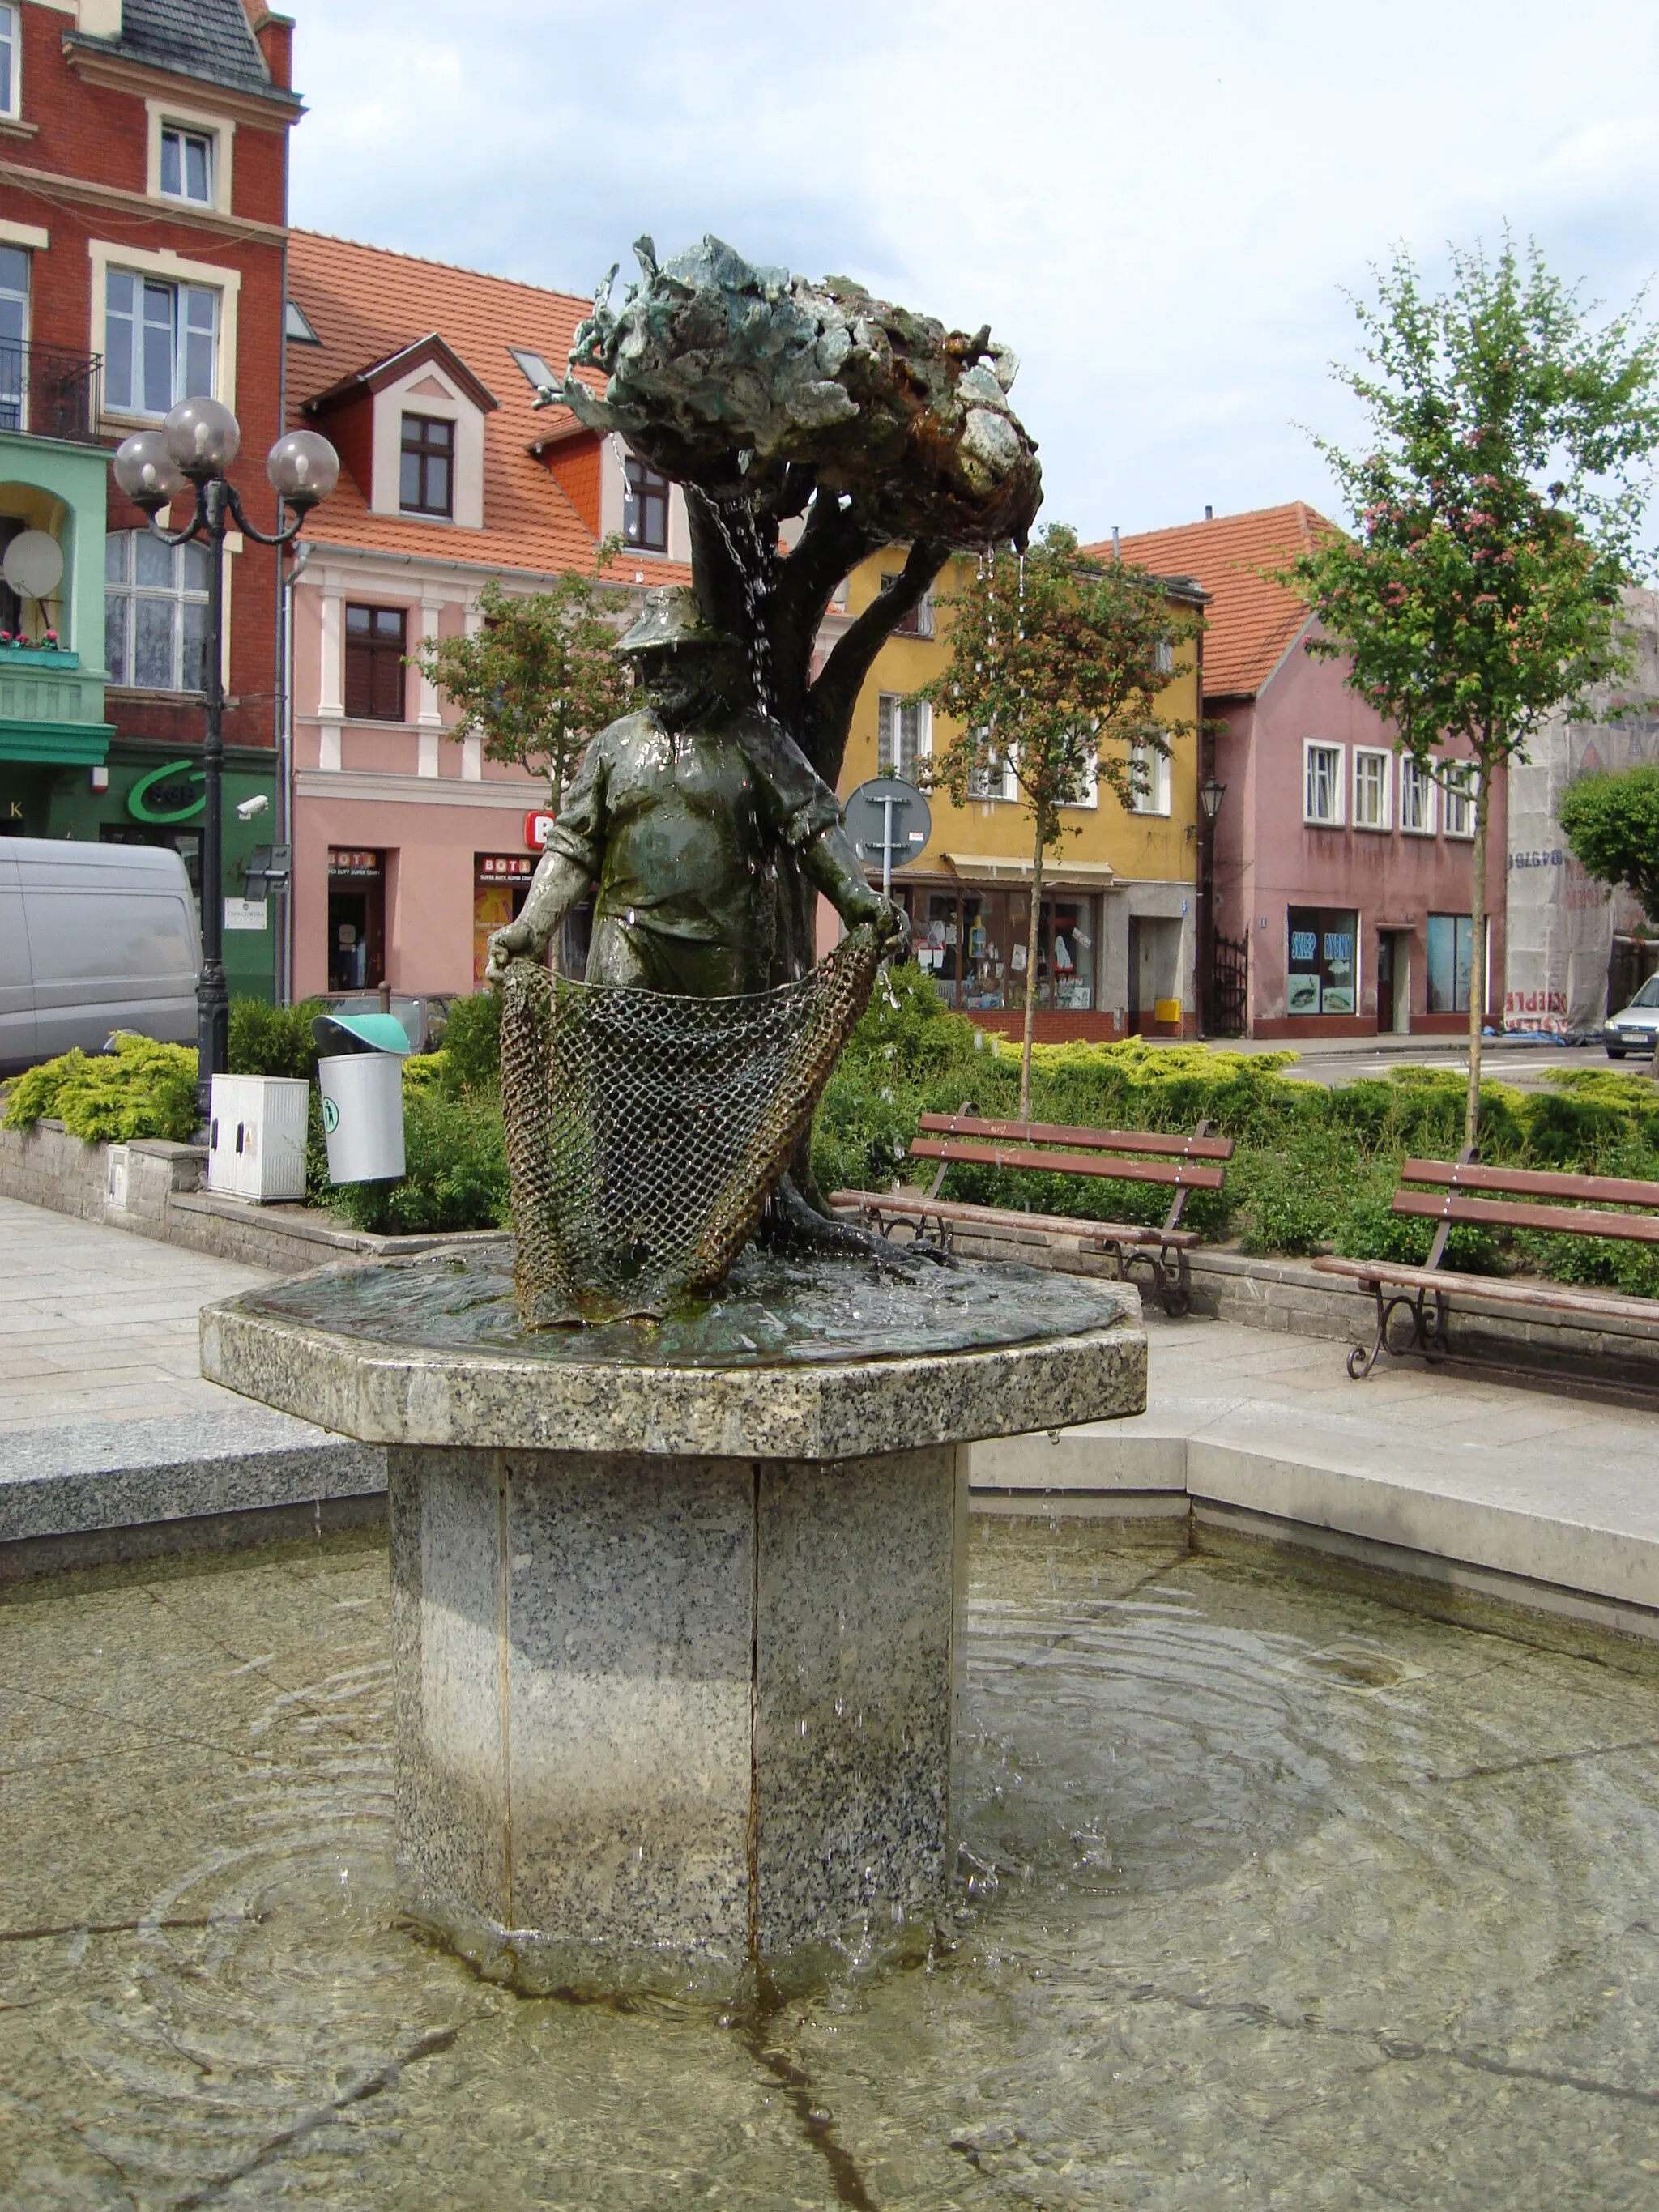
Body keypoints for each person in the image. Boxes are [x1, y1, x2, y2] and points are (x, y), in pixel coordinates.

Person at [485, 587, 902, 995]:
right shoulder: (613, 745)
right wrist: (531, 926)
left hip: (725, 945)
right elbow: (573, 847)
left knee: (725, 1062)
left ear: (707, 660)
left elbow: (813, 826)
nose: (663, 670)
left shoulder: (756, 741)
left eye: (677, 655)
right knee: (613, 1054)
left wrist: (856, 896)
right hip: (626, 935)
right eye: (651, 658)